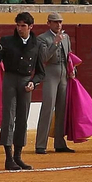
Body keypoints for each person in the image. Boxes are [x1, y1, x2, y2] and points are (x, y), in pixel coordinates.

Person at [0, 12, 41, 171]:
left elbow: (41, 72)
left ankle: (18, 157)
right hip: (9, 79)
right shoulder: (7, 41)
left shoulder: (37, 44)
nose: (20, 28)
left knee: (22, 118)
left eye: (23, 26)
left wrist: (33, 83)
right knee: (8, 116)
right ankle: (8, 159)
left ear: (31, 27)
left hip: (25, 82)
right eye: (18, 25)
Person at [33, 12, 76, 156]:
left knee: (62, 110)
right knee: (47, 108)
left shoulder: (66, 37)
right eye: (55, 22)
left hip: (64, 74)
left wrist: (72, 69)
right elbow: (44, 57)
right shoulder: (42, 38)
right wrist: (55, 42)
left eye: (60, 22)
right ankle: (40, 144)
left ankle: (59, 143)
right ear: (49, 23)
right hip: (50, 73)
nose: (58, 25)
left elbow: (69, 55)